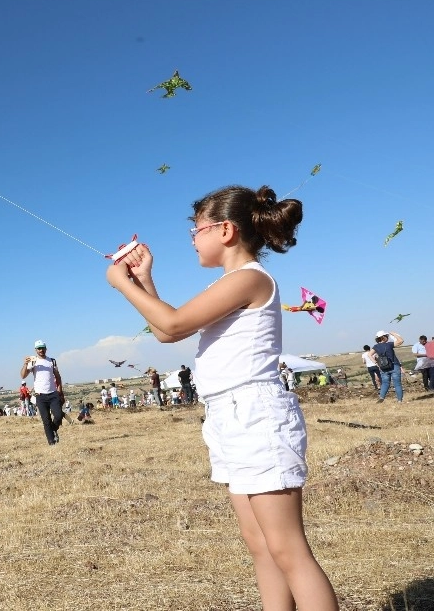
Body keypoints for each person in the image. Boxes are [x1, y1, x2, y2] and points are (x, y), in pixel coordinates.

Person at [105, 184, 338, 611]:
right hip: (229, 416)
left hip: (255, 415)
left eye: (197, 229)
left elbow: (173, 326)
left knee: (288, 550)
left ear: (225, 230)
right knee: (260, 546)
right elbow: (164, 329)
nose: (192, 239)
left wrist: (122, 285)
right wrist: (144, 281)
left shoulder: (248, 278)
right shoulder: (232, 282)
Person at [20, 340, 64, 445]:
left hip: (53, 393)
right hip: (40, 395)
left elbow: (57, 376)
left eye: (43, 348)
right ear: (35, 350)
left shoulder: (52, 361)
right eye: (39, 348)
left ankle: (53, 430)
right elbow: (23, 376)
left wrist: (60, 391)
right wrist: (25, 364)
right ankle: (51, 441)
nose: (41, 350)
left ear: (46, 348)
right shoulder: (33, 362)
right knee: (46, 420)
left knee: (58, 416)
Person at [370, 330, 405, 403]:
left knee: (385, 383)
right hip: (394, 365)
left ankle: (382, 397)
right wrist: (393, 333)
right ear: (383, 337)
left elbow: (369, 355)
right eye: (386, 336)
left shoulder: (376, 347)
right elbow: (401, 340)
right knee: (397, 383)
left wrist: (376, 362)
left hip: (383, 367)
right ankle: (399, 400)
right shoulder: (389, 344)